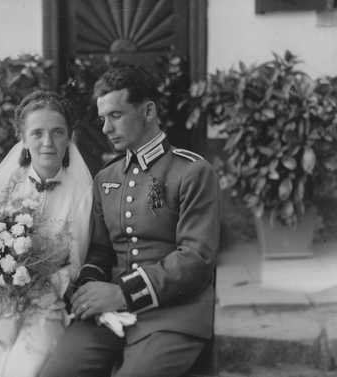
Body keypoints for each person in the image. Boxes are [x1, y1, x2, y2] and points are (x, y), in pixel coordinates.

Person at [40, 65, 221, 377]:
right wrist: (88, 290)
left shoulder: (192, 172)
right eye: (102, 119)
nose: (106, 128)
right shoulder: (106, 178)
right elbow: (100, 251)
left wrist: (123, 293)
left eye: (116, 115)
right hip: (111, 315)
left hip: (173, 316)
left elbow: (196, 259)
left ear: (148, 111)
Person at [0, 91, 93, 377]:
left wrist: (42, 284)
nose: (47, 143)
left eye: (57, 132)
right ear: (23, 139)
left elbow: (78, 263)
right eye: (37, 133)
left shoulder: (83, 195)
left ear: (68, 138)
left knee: (28, 364)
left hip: (48, 299)